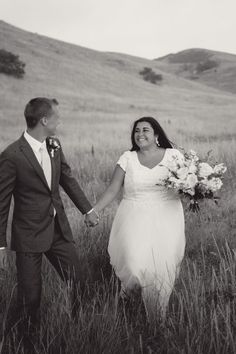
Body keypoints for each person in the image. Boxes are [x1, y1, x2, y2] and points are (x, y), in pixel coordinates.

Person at [0, 97, 99, 342]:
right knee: (30, 298)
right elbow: (1, 203)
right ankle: (25, 341)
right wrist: (0, 245)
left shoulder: (54, 144)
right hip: (29, 234)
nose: (60, 121)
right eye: (57, 117)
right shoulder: (12, 155)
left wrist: (87, 210)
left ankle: (79, 330)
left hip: (58, 230)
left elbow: (67, 179)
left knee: (79, 282)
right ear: (44, 120)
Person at [93, 117, 185, 320]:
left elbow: (186, 182)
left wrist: (196, 191)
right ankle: (128, 299)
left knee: (162, 268)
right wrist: (95, 210)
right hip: (133, 217)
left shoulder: (173, 155)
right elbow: (113, 188)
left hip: (167, 218)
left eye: (146, 130)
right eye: (137, 131)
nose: (140, 134)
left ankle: (157, 318)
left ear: (157, 135)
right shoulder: (128, 157)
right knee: (133, 265)